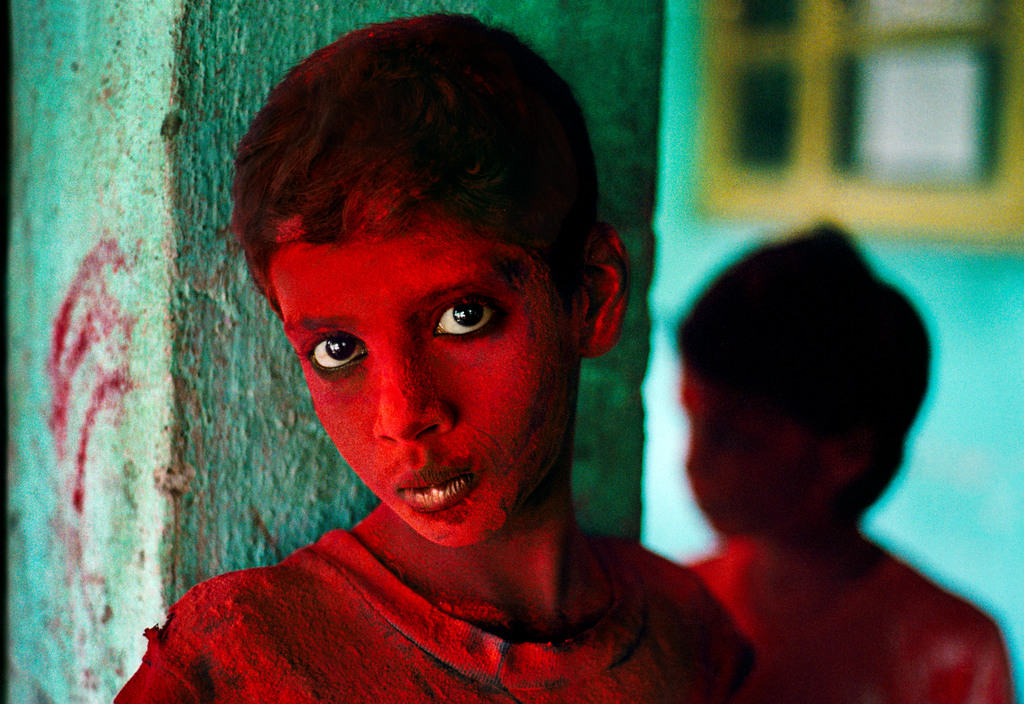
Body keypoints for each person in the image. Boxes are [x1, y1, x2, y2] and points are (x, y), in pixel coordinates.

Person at [116, 14, 751, 703]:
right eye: (337, 350)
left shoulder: (689, 641)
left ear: (592, 296)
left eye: (463, 317)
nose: (404, 416)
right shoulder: (235, 664)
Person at [678, 224, 1015, 704]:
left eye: (736, 438)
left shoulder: (953, 650)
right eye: (691, 420)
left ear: (847, 454)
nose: (694, 460)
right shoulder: (678, 609)